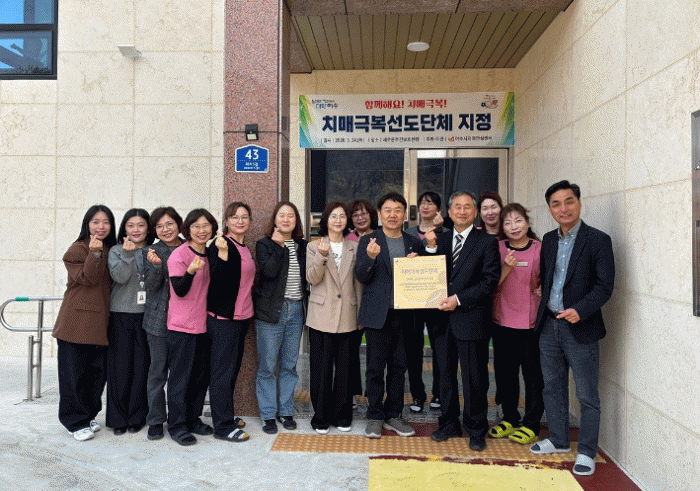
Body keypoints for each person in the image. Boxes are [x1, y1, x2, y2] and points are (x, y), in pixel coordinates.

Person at [529, 181, 614, 477]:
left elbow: (605, 286)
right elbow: (549, 277)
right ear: (550, 209)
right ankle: (559, 439)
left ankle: (587, 451)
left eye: (568, 201)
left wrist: (580, 310)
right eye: (556, 204)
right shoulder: (549, 239)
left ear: (579, 203)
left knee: (587, 393)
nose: (563, 208)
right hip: (549, 325)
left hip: (581, 326)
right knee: (552, 386)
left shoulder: (598, 240)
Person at [425, 191, 500, 451]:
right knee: (444, 377)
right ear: (449, 212)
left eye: (468, 206)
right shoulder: (440, 239)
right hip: (441, 321)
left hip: (471, 318)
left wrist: (457, 299)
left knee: (474, 378)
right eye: (457, 206)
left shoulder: (487, 242)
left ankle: (476, 428)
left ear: (475, 212)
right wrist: (424, 254)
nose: (462, 211)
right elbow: (429, 274)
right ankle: (448, 423)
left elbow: (489, 281)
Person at [355, 192, 423, 439]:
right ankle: (374, 416)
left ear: (404, 215)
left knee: (399, 368)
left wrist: (418, 264)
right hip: (377, 315)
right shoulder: (368, 240)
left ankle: (394, 415)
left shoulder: (413, 242)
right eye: (387, 210)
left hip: (405, 315)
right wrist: (371, 258)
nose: (392, 215)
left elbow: (423, 279)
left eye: (397, 210)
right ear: (379, 214)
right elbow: (361, 276)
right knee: (374, 368)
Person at [52, 205, 117, 441]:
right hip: (76, 324)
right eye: (95, 221)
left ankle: (88, 415)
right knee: (74, 376)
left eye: (106, 222)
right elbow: (88, 279)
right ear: (87, 224)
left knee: (96, 375)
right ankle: (74, 422)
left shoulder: (112, 248)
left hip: (101, 324)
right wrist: (95, 253)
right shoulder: (77, 249)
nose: (101, 226)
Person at [488, 203, 544, 446]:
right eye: (508, 222)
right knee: (505, 374)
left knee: (533, 375)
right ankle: (510, 417)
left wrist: (545, 289)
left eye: (518, 220)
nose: (514, 226)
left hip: (531, 323)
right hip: (502, 321)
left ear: (527, 223)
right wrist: (506, 267)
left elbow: (550, 278)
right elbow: (491, 283)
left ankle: (531, 423)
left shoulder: (540, 248)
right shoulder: (497, 248)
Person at [306, 202, 363, 434]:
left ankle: (342, 416)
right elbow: (312, 278)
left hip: (348, 314)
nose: (338, 220)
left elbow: (358, 283)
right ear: (326, 221)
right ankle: (320, 417)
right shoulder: (313, 246)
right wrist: (321, 256)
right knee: (320, 370)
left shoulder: (355, 247)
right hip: (321, 315)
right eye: (333, 216)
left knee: (345, 370)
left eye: (342, 216)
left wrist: (360, 313)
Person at [254, 201, 307, 435]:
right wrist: (279, 247)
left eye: (291, 215)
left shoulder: (303, 246)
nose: (286, 219)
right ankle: (268, 414)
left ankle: (285, 411)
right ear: (274, 220)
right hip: (271, 312)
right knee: (267, 365)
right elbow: (269, 272)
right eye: (281, 215)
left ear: (296, 221)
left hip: (296, 310)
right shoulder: (264, 244)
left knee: (289, 365)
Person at [166, 209, 218, 446]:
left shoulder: (212, 253)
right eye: (196, 226)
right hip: (182, 327)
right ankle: (177, 425)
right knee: (180, 379)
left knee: (199, 377)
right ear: (188, 229)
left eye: (206, 226)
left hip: (204, 325)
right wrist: (190, 271)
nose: (201, 230)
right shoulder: (179, 254)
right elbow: (179, 289)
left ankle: (193, 419)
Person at [206, 202, 254, 443]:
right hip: (224, 319)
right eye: (234, 217)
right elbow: (216, 280)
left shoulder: (244, 247)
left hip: (241, 318)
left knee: (232, 370)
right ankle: (223, 426)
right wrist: (222, 255)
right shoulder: (220, 244)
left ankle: (226, 414)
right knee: (222, 373)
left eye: (244, 217)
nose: (239, 221)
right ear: (226, 221)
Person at [107, 208, 154, 435]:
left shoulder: (153, 250)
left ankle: (137, 417)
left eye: (141, 225)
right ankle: (118, 419)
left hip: (146, 316)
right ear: (124, 228)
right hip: (120, 314)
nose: (136, 230)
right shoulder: (116, 250)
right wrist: (127, 255)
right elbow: (120, 277)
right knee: (119, 368)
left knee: (141, 368)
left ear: (148, 228)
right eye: (131, 225)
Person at [142, 206, 183, 441]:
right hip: (158, 320)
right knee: (157, 373)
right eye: (159, 226)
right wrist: (157, 266)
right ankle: (156, 420)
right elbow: (150, 286)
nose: (165, 229)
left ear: (178, 224)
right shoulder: (150, 251)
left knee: (181, 373)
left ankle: (180, 418)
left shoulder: (191, 247)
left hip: (185, 320)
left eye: (169, 224)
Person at [405, 191, 445, 413]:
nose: (425, 206)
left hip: (437, 300)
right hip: (414, 300)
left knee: (440, 349)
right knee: (413, 350)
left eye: (430, 203)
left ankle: (438, 392)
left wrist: (439, 229)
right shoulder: (409, 233)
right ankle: (417, 395)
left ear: (438, 209)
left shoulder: (445, 232)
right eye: (422, 202)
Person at [345, 199, 378, 406]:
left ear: (372, 215)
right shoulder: (347, 239)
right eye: (356, 214)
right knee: (350, 351)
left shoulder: (380, 237)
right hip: (353, 301)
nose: (360, 218)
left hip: (376, 301)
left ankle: (373, 394)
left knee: (375, 355)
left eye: (364, 213)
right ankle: (352, 392)